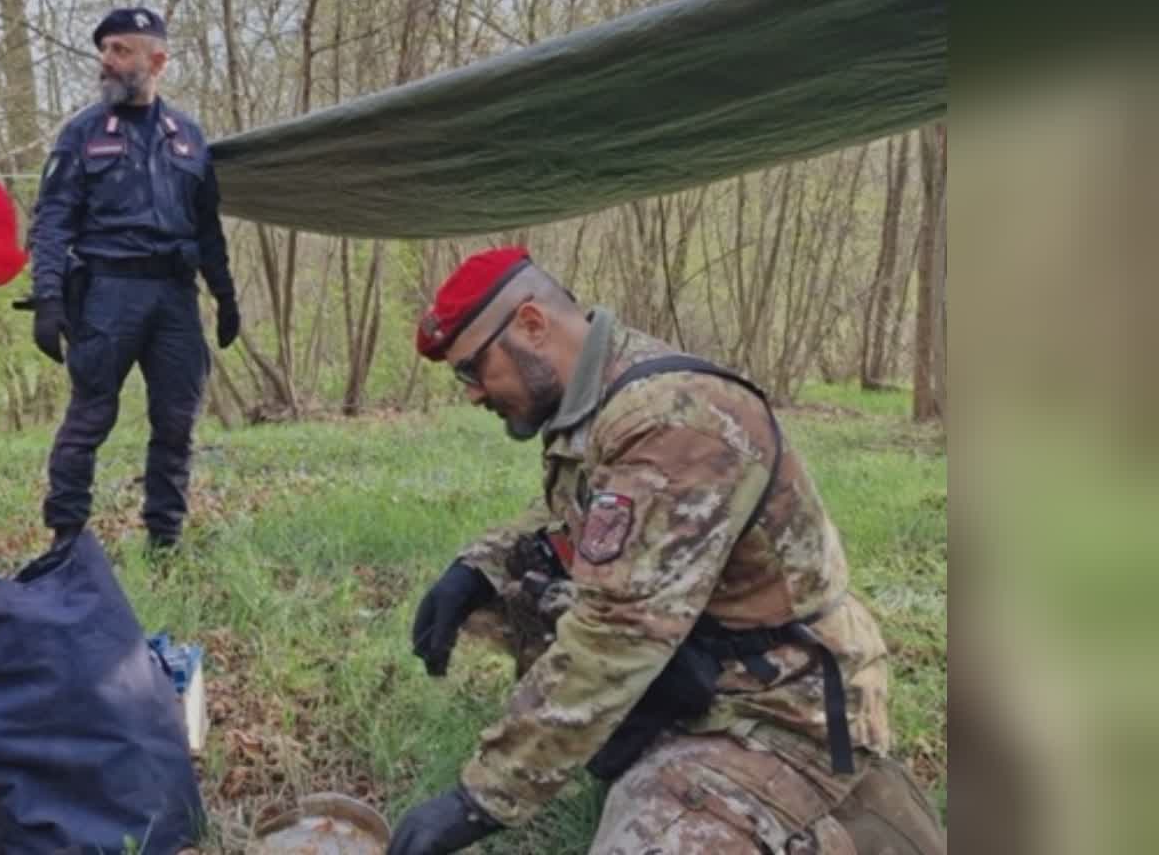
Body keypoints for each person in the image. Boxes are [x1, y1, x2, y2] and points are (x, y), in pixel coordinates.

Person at [387, 247, 946, 855]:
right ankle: (637, 739)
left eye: (472, 370)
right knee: (519, 589)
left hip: (782, 704)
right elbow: (578, 513)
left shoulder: (674, 417)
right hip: (698, 659)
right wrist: (479, 568)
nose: (471, 394)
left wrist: (478, 801)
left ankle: (830, 810)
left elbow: (615, 634)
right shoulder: (599, 393)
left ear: (531, 325)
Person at [25, 7, 239, 552]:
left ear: (157, 60)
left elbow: (207, 222)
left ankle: (165, 540)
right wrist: (49, 296)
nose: (107, 61)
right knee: (89, 418)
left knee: (176, 422)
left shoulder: (188, 135)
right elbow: (51, 220)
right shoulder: (81, 132)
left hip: (175, 297)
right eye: (105, 50)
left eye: (121, 50)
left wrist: (224, 292)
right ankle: (66, 543)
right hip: (107, 293)